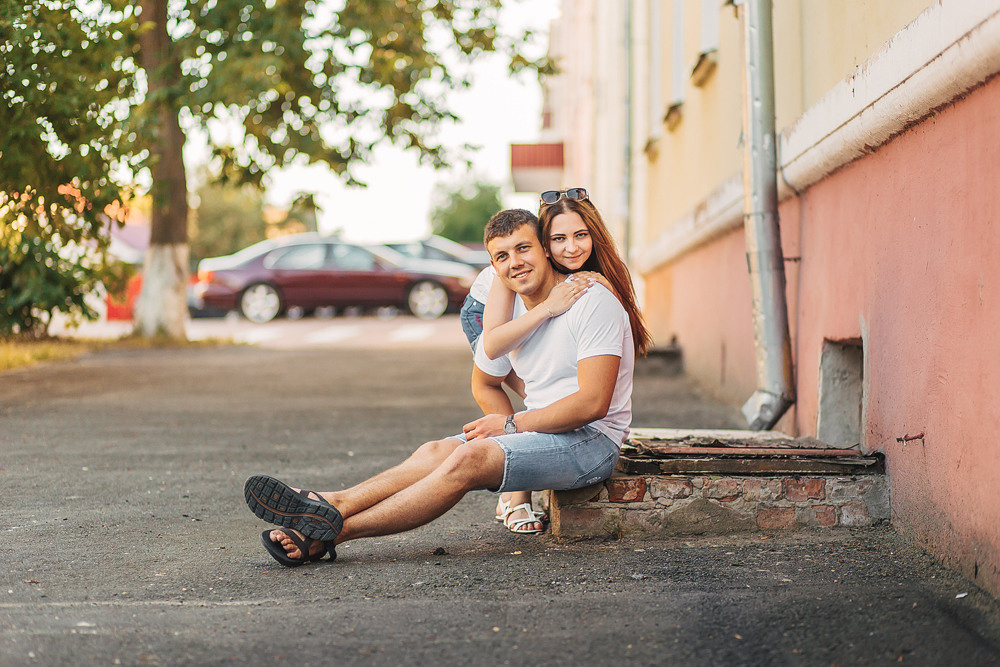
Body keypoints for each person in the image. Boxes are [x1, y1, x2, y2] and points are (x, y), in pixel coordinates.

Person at [243, 207, 635, 566]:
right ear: (493, 266)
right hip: (544, 430)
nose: (515, 263)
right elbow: (484, 381)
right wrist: (515, 424)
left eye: (523, 249)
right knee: (436, 450)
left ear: (546, 250)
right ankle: (331, 504)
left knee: (469, 459)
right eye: (502, 256)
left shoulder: (590, 300)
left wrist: (512, 425)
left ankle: (332, 532)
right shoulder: (506, 314)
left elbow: (592, 403)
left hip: (590, 442)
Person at [462, 187, 652, 533]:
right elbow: (493, 343)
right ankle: (516, 500)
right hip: (482, 313)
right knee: (505, 384)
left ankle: (526, 448)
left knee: (552, 397)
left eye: (581, 235)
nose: (571, 248)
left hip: (545, 301)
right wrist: (548, 307)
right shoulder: (510, 271)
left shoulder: (601, 276)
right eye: (559, 238)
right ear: (546, 245)